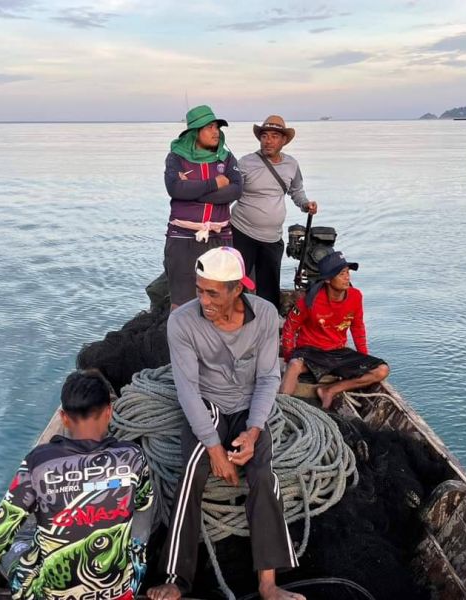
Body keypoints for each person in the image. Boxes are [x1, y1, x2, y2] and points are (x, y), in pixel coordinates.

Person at [147, 247, 303, 600]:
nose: (203, 300)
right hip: (207, 405)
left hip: (249, 409)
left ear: (237, 290)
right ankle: (176, 577)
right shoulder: (182, 322)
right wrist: (214, 449)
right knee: (191, 473)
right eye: (199, 290)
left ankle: (268, 583)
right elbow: (186, 389)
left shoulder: (264, 315)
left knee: (264, 476)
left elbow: (267, 379)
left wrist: (253, 431)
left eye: (212, 292)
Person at [0, 371, 154, 600]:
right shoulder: (133, 457)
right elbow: (143, 507)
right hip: (119, 591)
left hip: (45, 594)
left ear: (63, 417)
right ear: (109, 412)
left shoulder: (39, 462)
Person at [280, 251, 389, 408]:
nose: (347, 278)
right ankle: (282, 408)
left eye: (347, 272)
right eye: (341, 274)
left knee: (382, 370)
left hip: (338, 352)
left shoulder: (355, 296)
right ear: (328, 280)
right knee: (294, 365)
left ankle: (330, 390)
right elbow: (289, 328)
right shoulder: (310, 300)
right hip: (310, 351)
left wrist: (362, 358)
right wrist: (289, 356)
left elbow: (358, 327)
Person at [231, 115, 318, 307]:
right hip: (242, 232)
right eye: (264, 136)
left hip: (272, 237)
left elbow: (296, 191)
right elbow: (231, 191)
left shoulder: (292, 165)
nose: (268, 140)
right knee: (236, 282)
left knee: (269, 286)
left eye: (274, 136)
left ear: (283, 140)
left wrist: (305, 205)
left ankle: (269, 322)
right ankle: (235, 323)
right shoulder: (246, 163)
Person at [164, 105, 242, 309]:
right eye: (209, 127)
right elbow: (174, 188)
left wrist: (191, 192)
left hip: (220, 236)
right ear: (194, 131)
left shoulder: (227, 158)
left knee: (221, 298)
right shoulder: (176, 157)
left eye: (217, 126)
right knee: (180, 303)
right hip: (183, 237)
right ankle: (180, 340)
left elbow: (236, 191)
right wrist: (214, 183)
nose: (216, 131)